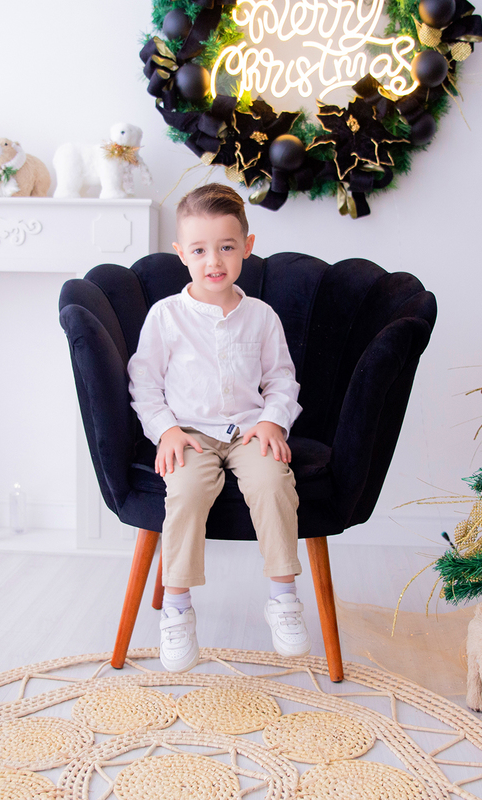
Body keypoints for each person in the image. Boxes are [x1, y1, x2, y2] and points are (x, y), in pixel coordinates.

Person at [127, 183, 308, 673]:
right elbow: (144, 383)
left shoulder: (261, 317)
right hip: (190, 434)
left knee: (274, 483)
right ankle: (177, 610)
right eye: (200, 250)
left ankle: (283, 598)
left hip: (248, 430)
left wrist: (272, 421)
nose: (214, 261)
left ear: (247, 247)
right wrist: (165, 431)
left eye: (226, 247)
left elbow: (281, 379)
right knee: (185, 492)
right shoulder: (166, 316)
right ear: (181, 253)